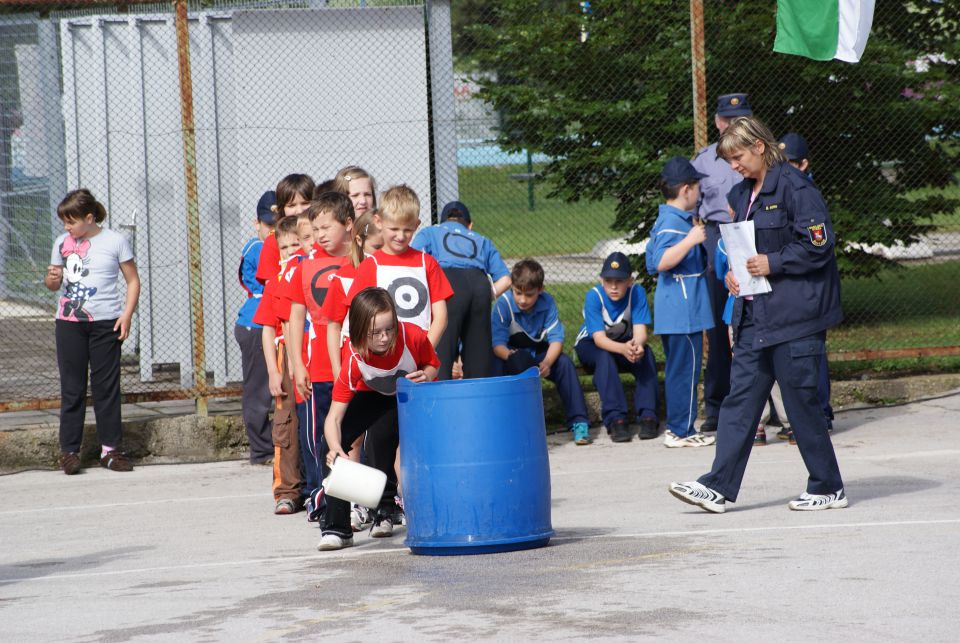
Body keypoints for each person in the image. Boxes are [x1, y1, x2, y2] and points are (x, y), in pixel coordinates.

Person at [669, 116, 846, 513]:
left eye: (738, 156)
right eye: (729, 159)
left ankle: (828, 486)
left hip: (795, 317)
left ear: (760, 147)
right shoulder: (739, 194)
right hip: (754, 316)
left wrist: (773, 262)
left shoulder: (798, 189)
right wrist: (735, 273)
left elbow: (819, 246)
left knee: (801, 405)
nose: (734, 165)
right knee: (739, 401)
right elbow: (744, 246)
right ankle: (716, 486)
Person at [319, 287, 439, 551]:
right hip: (373, 395)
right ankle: (337, 528)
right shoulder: (353, 357)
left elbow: (433, 364)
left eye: (390, 329)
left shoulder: (413, 336)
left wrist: (427, 375)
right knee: (328, 447)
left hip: (411, 394)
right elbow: (334, 418)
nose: (385, 338)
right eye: (376, 333)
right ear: (360, 332)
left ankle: (386, 510)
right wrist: (336, 448)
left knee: (382, 440)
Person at [45, 189, 141, 474]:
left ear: (89, 218)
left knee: (106, 388)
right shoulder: (62, 242)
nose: (66, 227)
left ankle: (111, 451)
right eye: (64, 221)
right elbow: (52, 285)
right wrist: (51, 279)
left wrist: (127, 315)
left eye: (71, 221)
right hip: (69, 324)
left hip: (106, 323)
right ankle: (70, 452)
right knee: (72, 388)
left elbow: (133, 281)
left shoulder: (115, 241)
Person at [283, 193, 354, 521]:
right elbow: (295, 317)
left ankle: (355, 500)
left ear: (348, 226)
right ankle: (319, 495)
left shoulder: (358, 263)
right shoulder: (304, 267)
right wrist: (297, 364)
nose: (321, 234)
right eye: (317, 228)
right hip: (317, 370)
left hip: (352, 368)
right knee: (315, 439)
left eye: (327, 227)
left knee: (350, 436)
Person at [691, 93, 754, 433]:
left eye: (740, 119)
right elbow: (690, 207)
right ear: (717, 122)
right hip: (718, 235)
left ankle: (767, 402)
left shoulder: (760, 154)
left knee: (761, 318)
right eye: (728, 120)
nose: (732, 126)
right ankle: (716, 405)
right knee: (720, 324)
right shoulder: (704, 162)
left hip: (753, 232)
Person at [645, 156, 716, 448]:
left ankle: (681, 427)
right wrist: (690, 240)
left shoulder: (672, 220)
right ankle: (680, 430)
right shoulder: (674, 224)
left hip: (681, 309)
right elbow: (660, 262)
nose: (700, 192)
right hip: (682, 311)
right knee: (684, 370)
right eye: (697, 186)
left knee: (682, 368)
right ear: (686, 189)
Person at [332, 185, 453, 348]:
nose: (401, 236)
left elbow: (441, 317)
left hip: (419, 355)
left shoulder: (427, 263)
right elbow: (358, 316)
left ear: (417, 225)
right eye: (394, 229)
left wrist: (425, 352)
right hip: (381, 357)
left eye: (408, 230)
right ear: (378, 222)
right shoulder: (370, 265)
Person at [491, 259, 591, 445]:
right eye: (518, 293)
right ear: (511, 287)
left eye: (529, 295)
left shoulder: (548, 303)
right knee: (495, 367)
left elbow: (556, 340)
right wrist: (520, 362)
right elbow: (497, 345)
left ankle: (579, 422)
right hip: (509, 355)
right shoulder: (502, 305)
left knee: (564, 364)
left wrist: (547, 363)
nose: (522, 300)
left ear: (540, 290)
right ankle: (502, 425)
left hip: (537, 354)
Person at [411, 200, 512, 379]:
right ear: (469, 225)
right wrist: (485, 294)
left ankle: (440, 400)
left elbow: (413, 262)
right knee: (478, 356)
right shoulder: (482, 240)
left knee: (442, 352)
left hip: (448, 281)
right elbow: (506, 280)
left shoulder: (430, 232)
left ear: (442, 222)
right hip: (480, 283)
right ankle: (478, 402)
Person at [779, 131, 835, 438]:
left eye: (790, 163)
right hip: (795, 289)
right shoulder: (783, 192)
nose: (784, 168)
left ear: (803, 165)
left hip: (812, 289)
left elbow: (816, 245)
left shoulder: (805, 193)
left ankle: (821, 414)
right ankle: (804, 418)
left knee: (812, 356)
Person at [574, 252, 658, 442]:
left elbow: (640, 332)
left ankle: (648, 415)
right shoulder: (594, 296)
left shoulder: (636, 293)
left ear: (630, 280)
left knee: (646, 355)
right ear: (601, 280)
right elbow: (599, 340)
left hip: (623, 342)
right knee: (604, 357)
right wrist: (623, 349)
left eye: (619, 281)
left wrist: (637, 346)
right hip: (591, 345)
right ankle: (616, 419)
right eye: (608, 280)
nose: (613, 286)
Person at [252, 215, 306, 514]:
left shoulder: (311, 273)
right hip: (286, 356)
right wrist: (274, 371)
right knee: (286, 424)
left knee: (315, 423)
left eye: (296, 244)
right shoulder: (276, 282)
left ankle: (316, 488)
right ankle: (287, 490)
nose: (291, 252)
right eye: (285, 248)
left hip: (314, 353)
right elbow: (268, 328)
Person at [233, 190, 277, 466]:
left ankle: (274, 446)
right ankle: (261, 450)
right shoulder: (256, 247)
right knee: (259, 390)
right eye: (268, 226)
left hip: (271, 322)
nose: (273, 232)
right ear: (257, 224)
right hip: (256, 324)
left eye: (277, 225)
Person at [255, 174, 315, 285]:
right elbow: (271, 286)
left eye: (305, 203)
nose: (299, 210)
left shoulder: (320, 234)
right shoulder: (273, 240)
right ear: (282, 209)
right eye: (291, 206)